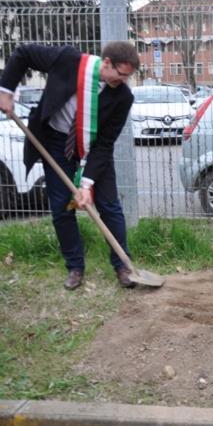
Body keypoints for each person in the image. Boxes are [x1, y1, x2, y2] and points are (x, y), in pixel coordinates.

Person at [0, 42, 140, 290]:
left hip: (94, 148)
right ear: (106, 62)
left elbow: (105, 143)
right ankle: (75, 267)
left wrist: (87, 184)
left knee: (109, 206)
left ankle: (123, 266)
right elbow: (23, 54)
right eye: (121, 74)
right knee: (61, 208)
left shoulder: (123, 97)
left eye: (128, 76)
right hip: (56, 142)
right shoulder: (67, 60)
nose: (124, 80)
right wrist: (5, 91)